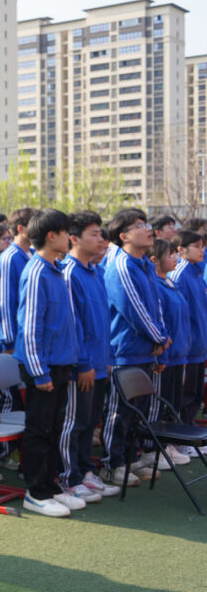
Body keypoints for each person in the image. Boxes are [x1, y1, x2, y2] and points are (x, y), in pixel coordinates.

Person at [13, 209, 85, 517]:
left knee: (54, 429)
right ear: (51, 236)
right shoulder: (37, 271)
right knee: (39, 430)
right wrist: (38, 370)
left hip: (60, 365)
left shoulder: (56, 270)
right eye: (66, 232)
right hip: (42, 367)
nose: (70, 238)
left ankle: (51, 485)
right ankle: (36, 492)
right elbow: (30, 327)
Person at [100, 208, 170, 486]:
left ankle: (130, 457)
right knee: (119, 410)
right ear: (123, 235)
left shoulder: (143, 265)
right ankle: (111, 463)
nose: (148, 229)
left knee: (136, 409)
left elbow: (157, 304)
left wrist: (161, 336)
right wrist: (159, 338)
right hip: (124, 350)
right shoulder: (121, 265)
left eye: (147, 223)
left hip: (145, 348)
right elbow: (134, 309)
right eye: (140, 225)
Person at [62, 212, 120, 501]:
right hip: (81, 367)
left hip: (98, 364)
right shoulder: (70, 272)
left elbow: (100, 323)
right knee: (75, 423)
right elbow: (73, 326)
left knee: (89, 421)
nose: (101, 239)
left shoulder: (94, 272)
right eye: (94, 234)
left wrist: (104, 360)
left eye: (101, 233)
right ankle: (69, 476)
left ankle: (85, 471)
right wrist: (83, 362)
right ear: (74, 238)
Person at [146, 238, 192, 468]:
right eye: (170, 254)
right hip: (164, 356)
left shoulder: (171, 283)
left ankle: (168, 445)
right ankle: (154, 448)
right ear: (155, 259)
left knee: (172, 401)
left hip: (178, 355)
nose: (175, 258)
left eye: (176, 254)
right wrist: (162, 355)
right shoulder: (154, 284)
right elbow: (161, 322)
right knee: (158, 404)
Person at [170, 229, 207, 456]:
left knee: (194, 394)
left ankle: (190, 435)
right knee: (182, 396)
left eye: (203, 245)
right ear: (181, 250)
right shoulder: (180, 274)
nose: (202, 250)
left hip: (199, 346)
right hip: (187, 347)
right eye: (197, 246)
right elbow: (178, 316)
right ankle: (181, 440)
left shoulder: (195, 273)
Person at [0, 208, 37, 353]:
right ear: (21, 229)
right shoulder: (9, 257)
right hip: (18, 343)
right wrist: (8, 342)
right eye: (35, 225)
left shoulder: (33, 254)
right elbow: (4, 303)